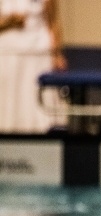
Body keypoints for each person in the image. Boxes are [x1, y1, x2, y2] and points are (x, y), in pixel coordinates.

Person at [0, 0, 67, 133]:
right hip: (8, 55)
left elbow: (53, 21)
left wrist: (57, 54)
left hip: (39, 55)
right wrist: (9, 22)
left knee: (37, 104)